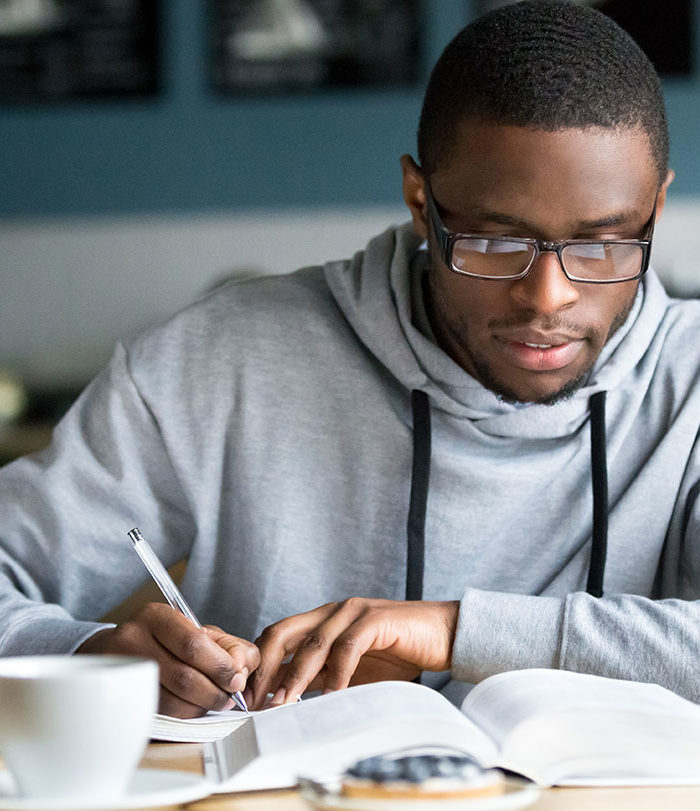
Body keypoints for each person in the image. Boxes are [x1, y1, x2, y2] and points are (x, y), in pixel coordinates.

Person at [1, 0, 699, 718]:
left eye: (603, 245)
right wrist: (87, 657)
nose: (547, 298)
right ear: (419, 198)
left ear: (656, 207)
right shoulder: (217, 362)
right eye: (494, 242)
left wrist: (453, 630)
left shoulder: (693, 380)